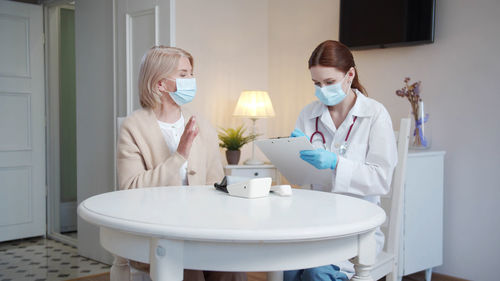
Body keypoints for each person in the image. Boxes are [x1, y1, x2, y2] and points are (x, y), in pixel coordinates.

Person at [114, 46, 247, 281]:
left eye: (191, 74)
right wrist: (180, 155)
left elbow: (215, 184)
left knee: (232, 264)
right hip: (158, 230)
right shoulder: (133, 127)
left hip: (201, 227)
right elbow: (131, 189)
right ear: (159, 84)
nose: (191, 80)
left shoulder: (202, 125)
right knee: (188, 267)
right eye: (183, 75)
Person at [285, 40, 398, 281]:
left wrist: (336, 163)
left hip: (357, 226)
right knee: (286, 267)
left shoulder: (374, 114)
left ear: (350, 75)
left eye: (329, 82)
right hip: (314, 224)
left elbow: (381, 179)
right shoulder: (308, 114)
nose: (322, 90)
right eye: (316, 83)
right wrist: (291, 156)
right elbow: (300, 179)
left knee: (316, 273)